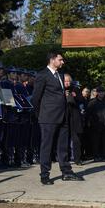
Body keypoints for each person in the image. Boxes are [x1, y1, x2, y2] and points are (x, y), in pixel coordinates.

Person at [31, 52, 84, 185]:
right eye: (60, 60)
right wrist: (40, 114)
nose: (62, 62)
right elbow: (36, 97)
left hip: (63, 116)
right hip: (48, 117)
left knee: (63, 146)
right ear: (52, 60)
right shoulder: (42, 75)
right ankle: (44, 174)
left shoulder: (60, 75)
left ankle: (66, 172)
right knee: (47, 146)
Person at [64, 74, 85, 166]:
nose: (67, 83)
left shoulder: (75, 89)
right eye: (65, 81)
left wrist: (75, 96)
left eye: (68, 81)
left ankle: (77, 159)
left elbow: (82, 100)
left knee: (76, 139)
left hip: (74, 117)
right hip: (63, 117)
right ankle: (64, 158)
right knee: (63, 139)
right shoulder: (59, 88)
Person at [87, 86, 105, 162]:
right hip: (95, 124)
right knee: (96, 142)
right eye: (100, 92)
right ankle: (96, 156)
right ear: (97, 93)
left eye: (103, 92)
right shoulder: (92, 102)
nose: (101, 93)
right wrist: (91, 122)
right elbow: (88, 114)